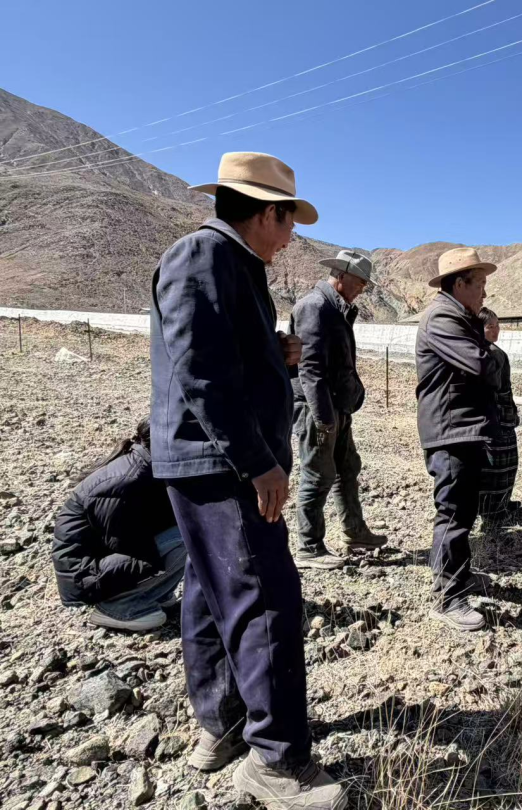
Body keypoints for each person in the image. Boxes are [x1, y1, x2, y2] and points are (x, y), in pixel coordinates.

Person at [151, 152, 345, 808]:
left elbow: (222, 356)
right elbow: (200, 371)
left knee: (212, 594)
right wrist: (257, 461)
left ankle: (223, 726)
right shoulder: (204, 256)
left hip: (215, 460)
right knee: (266, 599)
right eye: (289, 222)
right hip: (223, 463)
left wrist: (276, 357)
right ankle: (277, 762)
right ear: (265, 214)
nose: (291, 238)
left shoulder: (234, 265)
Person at [415, 247, 501, 632]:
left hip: (462, 429)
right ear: (459, 284)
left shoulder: (460, 317)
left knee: (462, 512)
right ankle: (448, 598)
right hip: (451, 431)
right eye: (479, 284)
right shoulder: (443, 317)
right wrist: (490, 347)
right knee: (452, 514)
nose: (484, 292)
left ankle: (456, 577)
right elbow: (483, 365)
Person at [289, 249, 388, 570]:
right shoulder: (315, 307)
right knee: (318, 475)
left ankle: (355, 532)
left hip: (336, 406)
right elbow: (310, 368)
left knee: (347, 468)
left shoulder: (334, 307)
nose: (362, 288)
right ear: (341, 276)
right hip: (319, 409)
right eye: (360, 282)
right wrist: (323, 418)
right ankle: (309, 546)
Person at [52, 418, 185, 633]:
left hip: (97, 565)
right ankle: (119, 607)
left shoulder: (144, 467)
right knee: (189, 538)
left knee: (187, 532)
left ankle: (154, 593)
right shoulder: (125, 482)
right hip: (85, 576)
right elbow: (126, 545)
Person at [476, 307, 521, 518]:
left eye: (497, 326)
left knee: (505, 462)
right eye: (490, 327)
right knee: (494, 463)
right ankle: (493, 509)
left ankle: (499, 503)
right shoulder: (486, 354)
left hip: (500, 415)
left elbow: (506, 389)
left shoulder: (495, 352)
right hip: (494, 417)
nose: (496, 331)